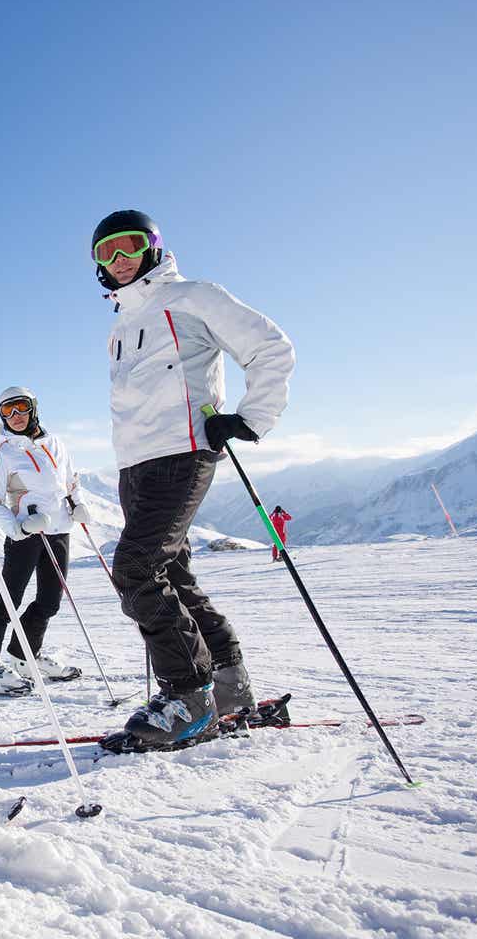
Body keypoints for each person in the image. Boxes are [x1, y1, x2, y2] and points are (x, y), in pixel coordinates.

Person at [92, 209, 295, 751]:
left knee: (135, 567)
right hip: (135, 466)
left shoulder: (193, 297)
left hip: (182, 454)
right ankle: (228, 684)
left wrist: (250, 418)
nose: (118, 260)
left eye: (127, 246)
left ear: (153, 247)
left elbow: (270, 347)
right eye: (105, 253)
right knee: (171, 574)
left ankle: (190, 696)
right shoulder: (119, 323)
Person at [0, 386, 90, 693]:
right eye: (7, 411)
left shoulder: (56, 443)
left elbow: (72, 480)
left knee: (49, 601)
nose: (15, 416)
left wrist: (78, 503)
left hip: (59, 530)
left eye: (20, 408)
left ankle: (23, 656)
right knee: (10, 598)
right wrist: (18, 529)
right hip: (26, 534)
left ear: (33, 408)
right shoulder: (3, 454)